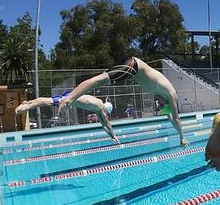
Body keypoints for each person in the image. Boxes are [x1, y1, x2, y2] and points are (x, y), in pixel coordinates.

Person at [58, 57, 188, 146]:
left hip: (132, 67)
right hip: (133, 66)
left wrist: (178, 133)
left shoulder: (163, 94)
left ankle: (69, 98)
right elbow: (175, 117)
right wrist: (182, 136)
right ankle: (68, 99)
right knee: (99, 80)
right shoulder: (171, 93)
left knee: (100, 80)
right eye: (165, 106)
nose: (161, 105)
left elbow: (170, 116)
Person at [16, 93, 118, 143]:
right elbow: (107, 123)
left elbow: (104, 124)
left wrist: (110, 135)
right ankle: (28, 104)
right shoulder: (100, 107)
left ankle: (29, 103)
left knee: (50, 101)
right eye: (106, 112)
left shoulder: (98, 106)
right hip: (70, 98)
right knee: (49, 101)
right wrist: (114, 135)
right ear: (106, 109)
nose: (105, 114)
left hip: (72, 96)